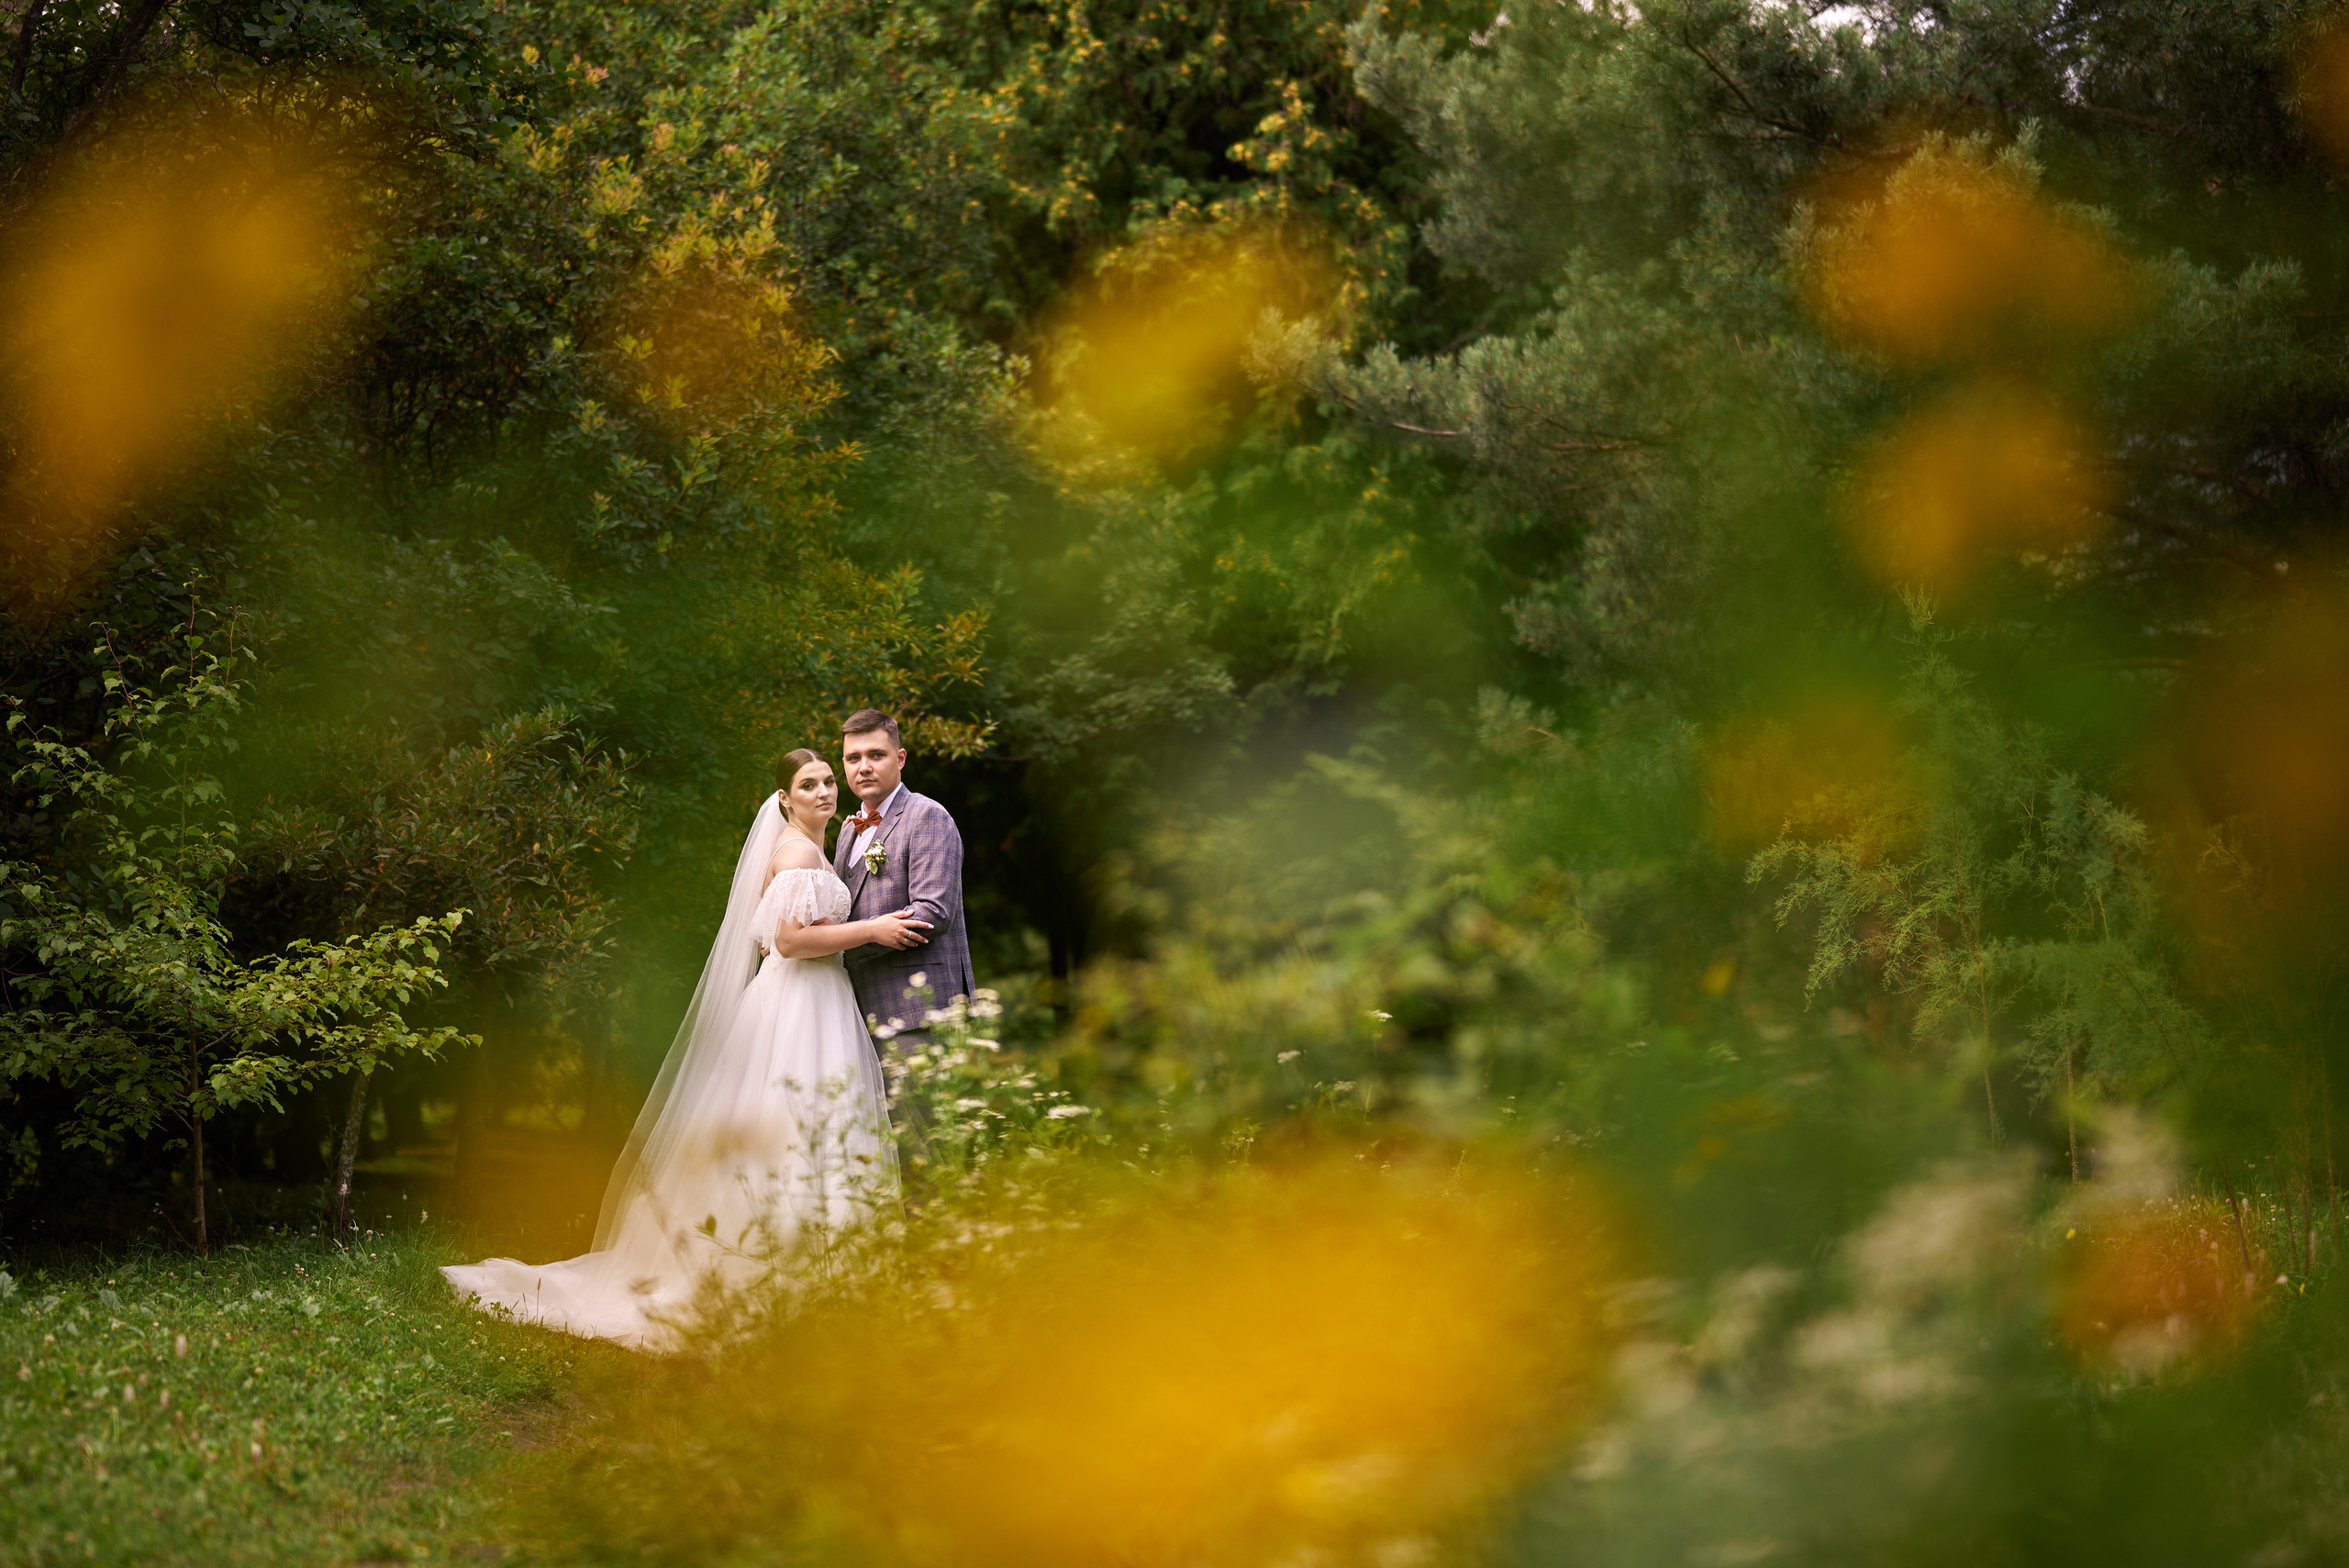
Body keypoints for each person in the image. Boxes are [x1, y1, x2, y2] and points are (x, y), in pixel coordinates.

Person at [440, 749, 931, 1349]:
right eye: (810, 783)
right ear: (785, 798)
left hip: (806, 999)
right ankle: (787, 1282)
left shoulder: (812, 851)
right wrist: (872, 929)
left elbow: (767, 943)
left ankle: (813, 1281)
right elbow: (789, 939)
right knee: (794, 1131)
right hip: (802, 1000)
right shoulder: (799, 851)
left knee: (805, 1132)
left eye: (829, 780)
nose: (825, 790)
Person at [832, 707, 974, 1042]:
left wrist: (838, 948)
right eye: (853, 758)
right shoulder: (847, 832)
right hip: (855, 1016)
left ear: (900, 759)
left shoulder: (927, 815)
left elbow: (932, 913)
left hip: (920, 1013)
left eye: (876, 755)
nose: (863, 767)